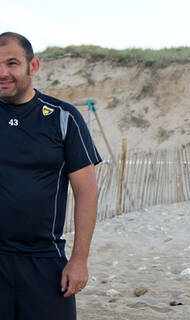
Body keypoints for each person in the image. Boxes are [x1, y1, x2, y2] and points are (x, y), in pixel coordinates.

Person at [0, 32, 102, 319]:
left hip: (44, 261)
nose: (3, 73)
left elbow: (86, 190)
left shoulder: (63, 117)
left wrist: (79, 259)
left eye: (12, 63)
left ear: (33, 66)